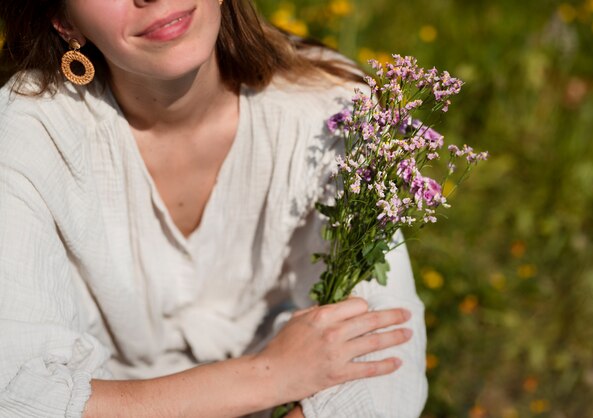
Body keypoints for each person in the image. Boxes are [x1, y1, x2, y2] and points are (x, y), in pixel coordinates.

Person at [0, 0, 428, 417]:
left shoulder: (332, 110)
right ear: (63, 21)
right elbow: (18, 397)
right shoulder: (26, 137)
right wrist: (270, 374)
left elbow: (386, 352)